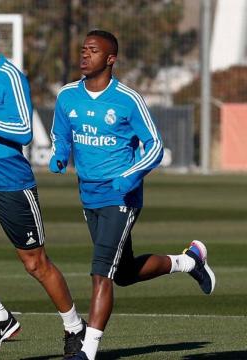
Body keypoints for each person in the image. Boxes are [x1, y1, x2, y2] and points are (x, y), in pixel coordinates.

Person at [49, 30, 215, 360]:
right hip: (89, 197)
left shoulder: (127, 99)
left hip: (122, 198)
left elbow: (155, 147)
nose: (85, 55)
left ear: (110, 59)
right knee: (121, 274)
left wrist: (130, 175)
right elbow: (60, 133)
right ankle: (189, 261)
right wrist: (60, 153)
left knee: (101, 274)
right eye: (83, 50)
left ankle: (88, 351)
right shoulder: (67, 96)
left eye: (93, 51)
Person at [0, 10, 85, 358]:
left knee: (36, 264)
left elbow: (23, 130)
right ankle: (0, 317)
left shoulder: (11, 77)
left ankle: (75, 327)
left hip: (11, 185)